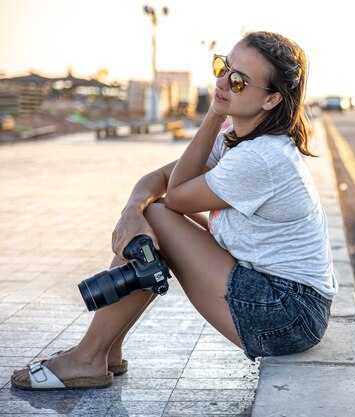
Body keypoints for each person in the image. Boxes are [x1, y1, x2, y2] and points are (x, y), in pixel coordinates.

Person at [12, 31, 337, 390]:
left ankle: (89, 356)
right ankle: (107, 349)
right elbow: (162, 176)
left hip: (286, 314)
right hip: (283, 301)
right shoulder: (241, 136)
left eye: (239, 82)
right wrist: (132, 209)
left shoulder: (261, 157)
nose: (222, 82)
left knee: (158, 218)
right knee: (151, 221)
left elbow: (177, 195)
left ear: (272, 99)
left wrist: (214, 112)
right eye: (222, 67)